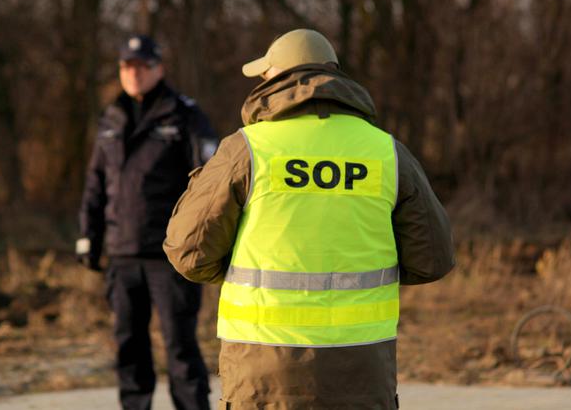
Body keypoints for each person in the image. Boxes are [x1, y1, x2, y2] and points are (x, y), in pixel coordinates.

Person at [163, 29, 455, 409]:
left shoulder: (248, 150)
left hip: (264, 373)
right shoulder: (385, 151)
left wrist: (237, 267)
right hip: (361, 371)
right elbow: (433, 258)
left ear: (277, 78)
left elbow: (189, 252)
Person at [77, 34, 216, 410]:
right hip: (122, 254)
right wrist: (88, 236)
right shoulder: (111, 116)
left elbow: (209, 184)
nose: (134, 74)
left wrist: (202, 243)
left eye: (143, 66)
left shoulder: (184, 114)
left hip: (169, 256)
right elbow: (96, 184)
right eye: (127, 66)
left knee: (180, 345)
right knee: (129, 346)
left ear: (159, 68)